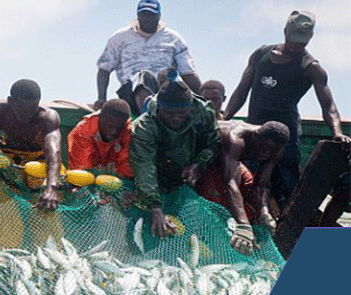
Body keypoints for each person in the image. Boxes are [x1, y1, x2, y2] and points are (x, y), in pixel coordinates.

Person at [223, 11, 351, 208]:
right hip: (254, 133)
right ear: (285, 31)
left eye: (302, 42)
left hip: (286, 138)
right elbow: (241, 92)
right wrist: (224, 118)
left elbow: (329, 106)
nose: (296, 46)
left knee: (288, 189)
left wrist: (337, 132)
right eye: (293, 40)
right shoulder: (261, 55)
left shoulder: (311, 67)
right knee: (245, 183)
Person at [129, 72, 219, 237]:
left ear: (190, 107)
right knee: (145, 232)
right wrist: (155, 209)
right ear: (159, 107)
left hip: (189, 180)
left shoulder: (203, 113)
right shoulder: (145, 126)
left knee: (190, 233)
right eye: (169, 113)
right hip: (155, 178)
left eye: (182, 113)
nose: (176, 118)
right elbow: (144, 165)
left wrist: (198, 164)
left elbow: (213, 143)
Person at [196, 121, 290, 254]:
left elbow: (260, 187)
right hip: (211, 159)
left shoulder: (277, 149)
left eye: (271, 151)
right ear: (256, 137)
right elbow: (230, 182)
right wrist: (243, 224)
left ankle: (245, 233)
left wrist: (263, 212)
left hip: (234, 163)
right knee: (216, 194)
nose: (266, 154)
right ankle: (209, 235)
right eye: (264, 148)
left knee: (247, 190)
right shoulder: (236, 138)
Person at [95, 0, 201, 112]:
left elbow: (188, 73)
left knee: (172, 78)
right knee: (144, 76)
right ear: (138, 16)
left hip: (166, 90)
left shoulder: (174, 38)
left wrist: (205, 98)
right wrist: (101, 98)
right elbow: (104, 70)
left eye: (151, 15)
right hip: (131, 92)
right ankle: (149, 114)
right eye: (144, 14)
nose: (147, 18)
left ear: (159, 16)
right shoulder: (120, 38)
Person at [0, 79, 62, 210]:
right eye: (23, 111)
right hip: (10, 162)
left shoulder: (48, 118)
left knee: (46, 202)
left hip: (38, 164)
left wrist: (51, 188)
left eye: (32, 111)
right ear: (11, 101)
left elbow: (54, 153)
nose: (27, 117)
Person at [67, 98, 133, 179]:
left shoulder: (129, 130)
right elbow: (82, 169)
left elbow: (126, 169)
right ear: (100, 118)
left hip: (113, 173)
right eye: (110, 126)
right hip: (89, 168)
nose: (114, 131)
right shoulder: (83, 131)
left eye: (119, 127)